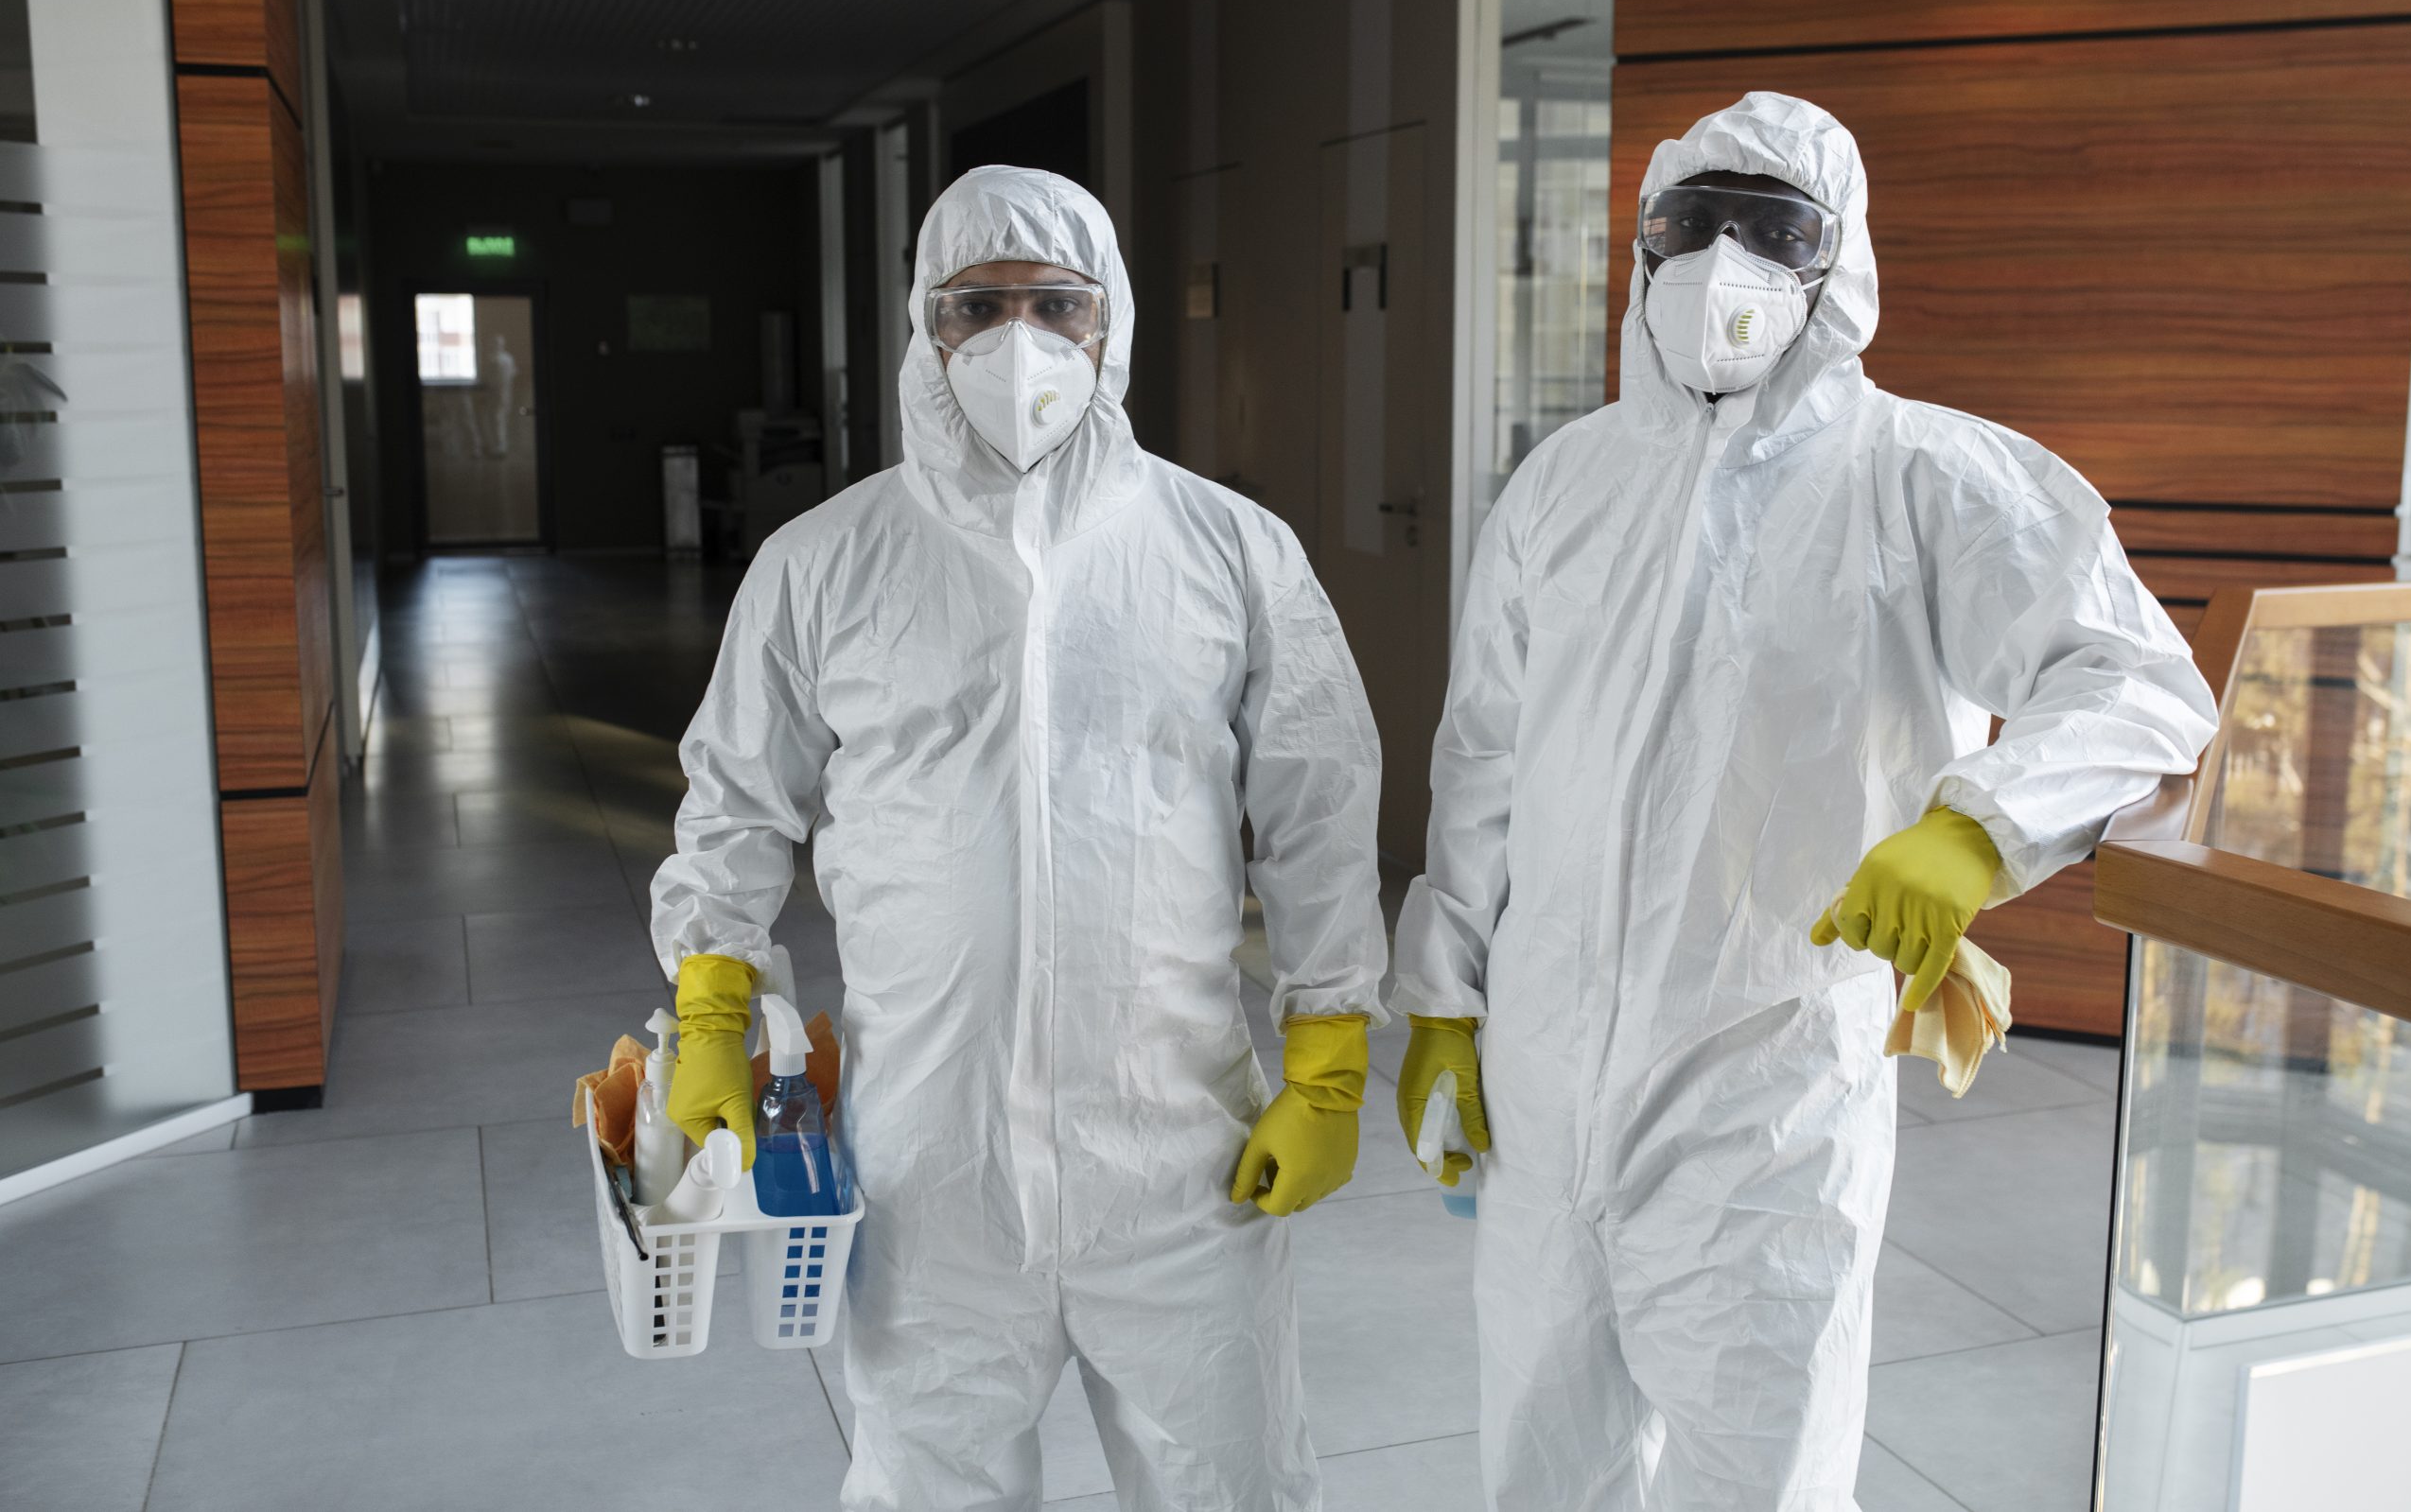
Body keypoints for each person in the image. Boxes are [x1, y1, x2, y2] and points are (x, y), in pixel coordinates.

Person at [1389, 92, 2218, 1510]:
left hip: (1762, 1094)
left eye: (1776, 229)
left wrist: (1975, 826)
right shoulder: (1561, 488)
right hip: (1541, 1076)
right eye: (1691, 224)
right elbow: (1483, 761)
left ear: (1840, 265)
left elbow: (2141, 682)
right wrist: (1447, 1002)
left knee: (1758, 1473)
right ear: (1643, 254)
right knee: (1539, 1460)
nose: (1727, 263)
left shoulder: (1927, 478)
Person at [649, 165, 1387, 1512]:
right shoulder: (826, 562)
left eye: (1058, 304)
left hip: (1181, 1156)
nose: (1020, 342)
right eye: (979, 307)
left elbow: (1320, 801)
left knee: (1229, 1485)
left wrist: (1331, 1049)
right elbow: (737, 802)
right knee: (931, 1486)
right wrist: (710, 995)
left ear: (1111, 329)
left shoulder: (1228, 550)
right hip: (928, 1166)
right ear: (927, 333)